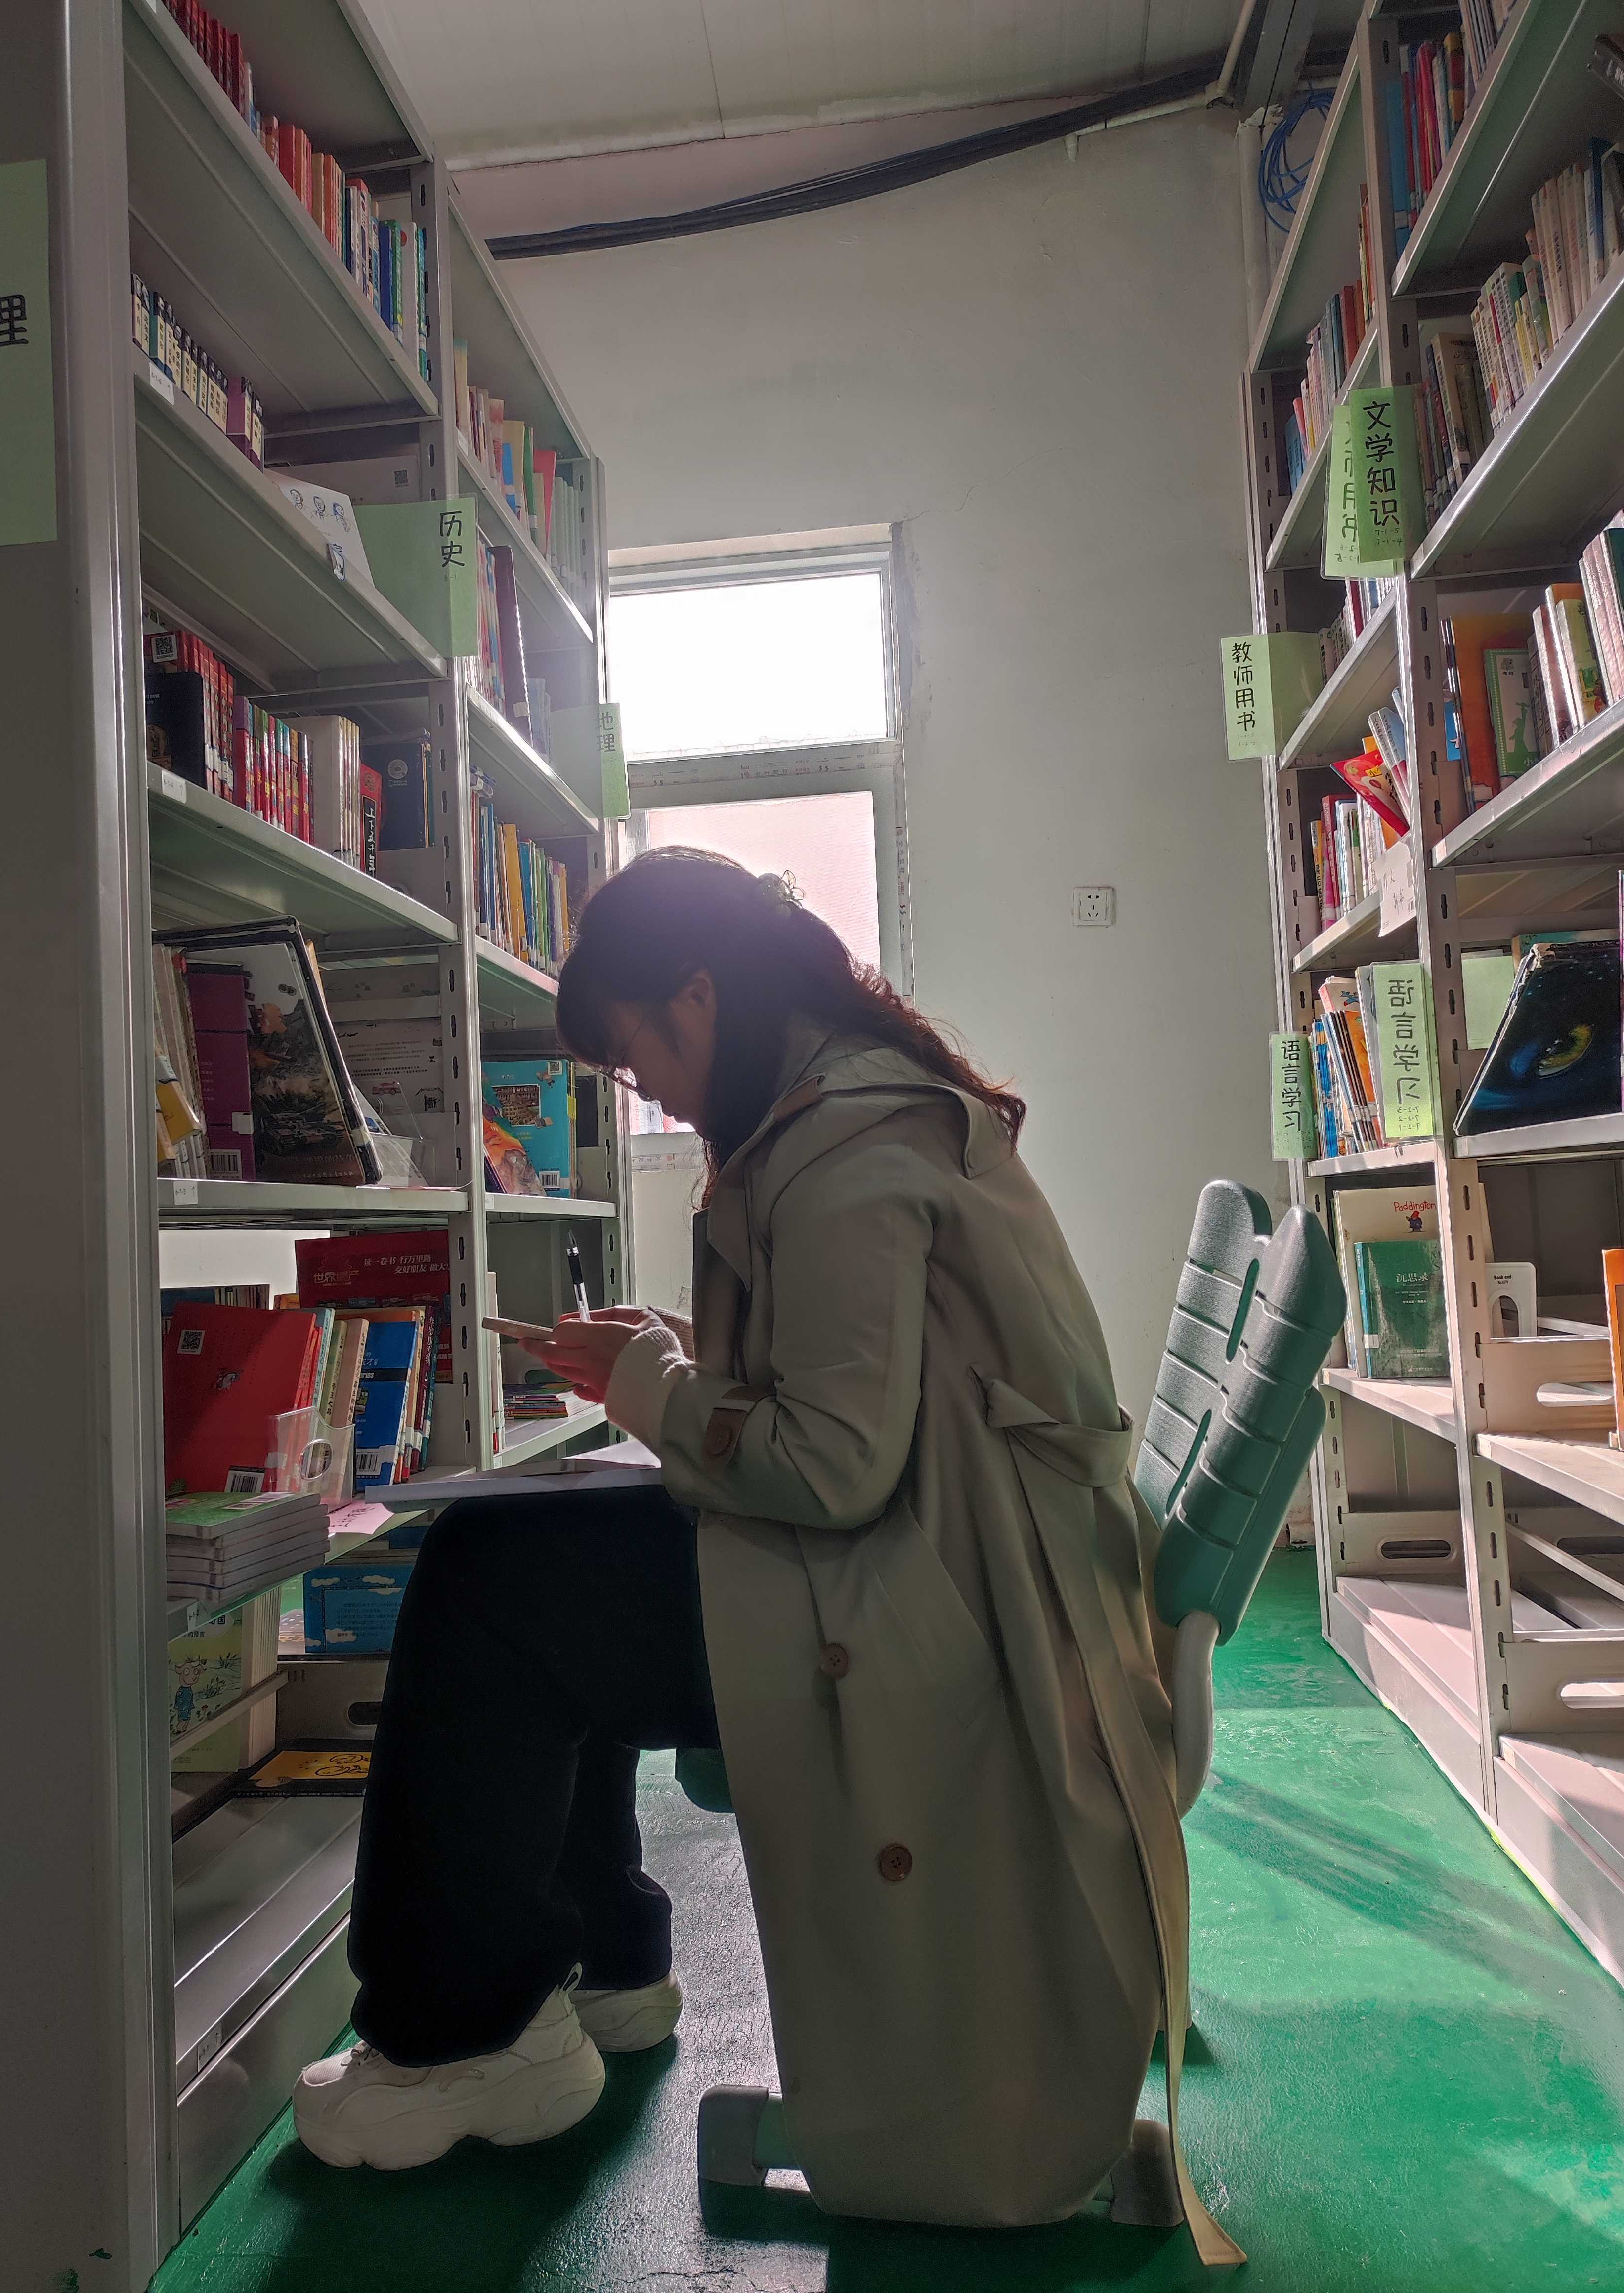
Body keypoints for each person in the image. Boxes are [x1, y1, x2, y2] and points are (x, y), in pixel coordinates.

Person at [292, 849, 1232, 2262]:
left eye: (642, 1056)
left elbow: (833, 1468)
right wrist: (668, 1359)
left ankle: (460, 2035)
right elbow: (862, 1393)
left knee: (492, 1586)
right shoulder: (854, 1107)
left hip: (936, 1609)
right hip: (964, 1568)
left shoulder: (842, 1150)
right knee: (533, 1557)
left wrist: (654, 1390)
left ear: (700, 993)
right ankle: (601, 1959)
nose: (654, 1094)